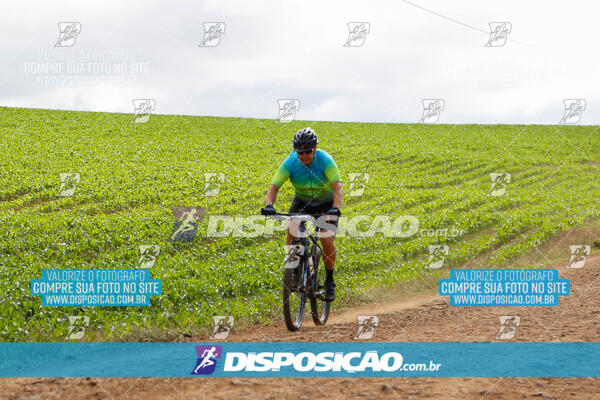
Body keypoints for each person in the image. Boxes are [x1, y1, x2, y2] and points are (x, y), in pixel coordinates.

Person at [261, 127, 343, 301]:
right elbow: (274, 188)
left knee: (327, 240)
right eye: (300, 152)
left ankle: (329, 281)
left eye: (307, 151)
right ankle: (294, 271)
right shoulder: (290, 162)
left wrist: (335, 208)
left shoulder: (326, 160)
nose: (304, 156)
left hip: (326, 204)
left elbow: (337, 187)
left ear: (314, 149)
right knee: (291, 232)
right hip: (302, 202)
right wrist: (269, 205)